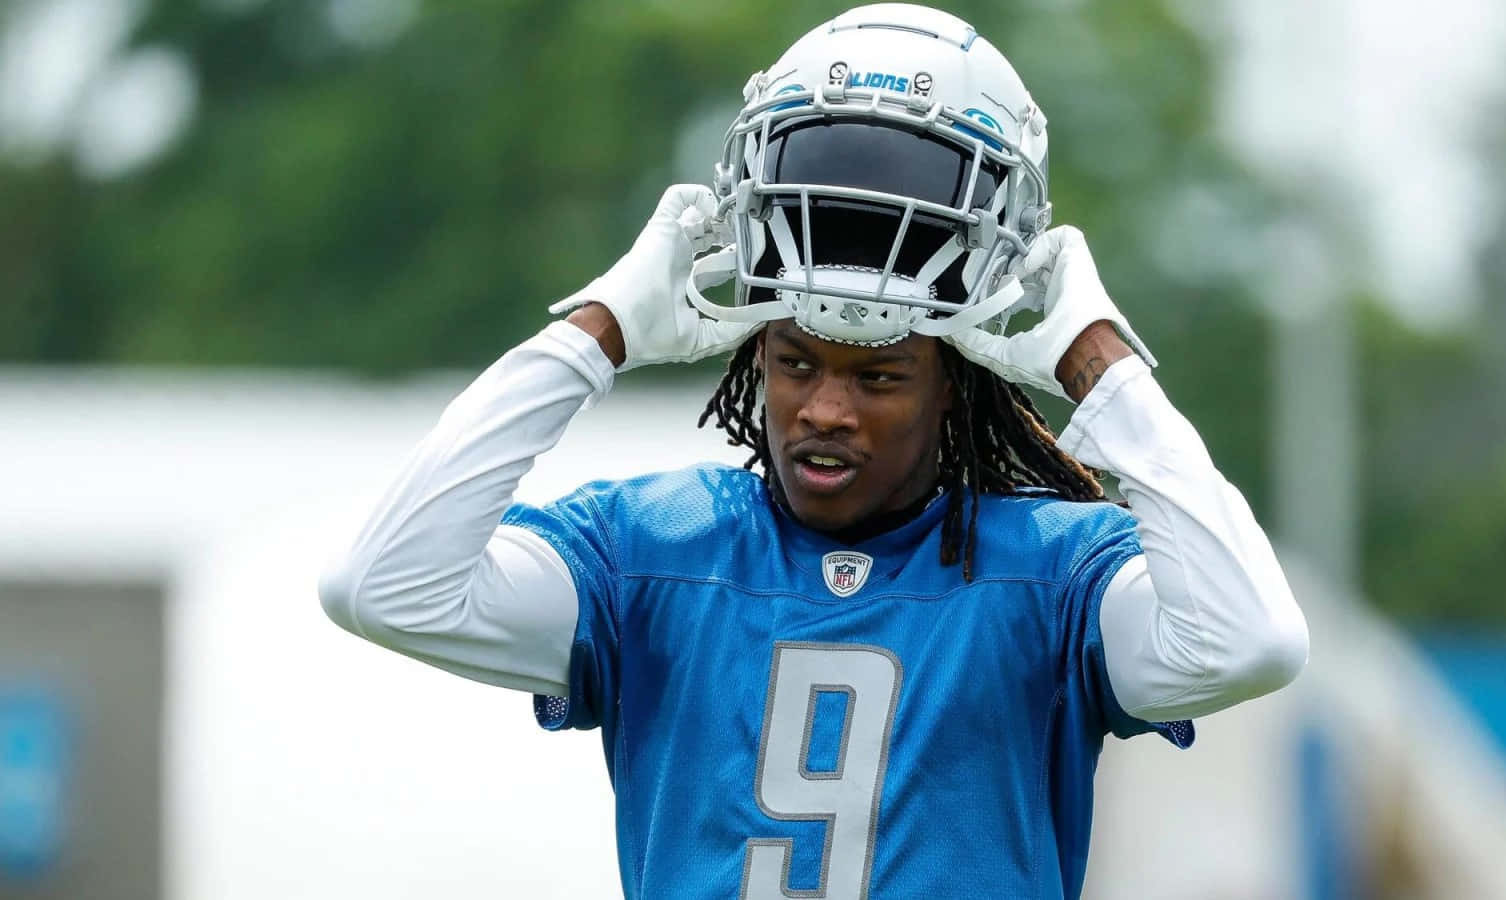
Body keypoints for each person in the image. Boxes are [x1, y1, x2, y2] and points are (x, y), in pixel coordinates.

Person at [319, 4, 1309, 898]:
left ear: (954, 385)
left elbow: (1250, 642)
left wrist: (1104, 371)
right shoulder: (649, 550)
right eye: (796, 363)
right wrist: (595, 331)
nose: (824, 409)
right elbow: (383, 585)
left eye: (877, 378)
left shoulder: (1053, 573)